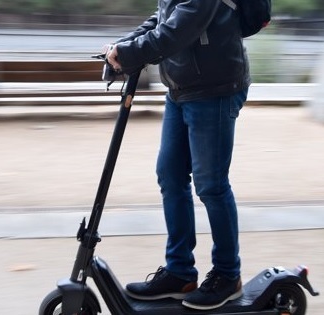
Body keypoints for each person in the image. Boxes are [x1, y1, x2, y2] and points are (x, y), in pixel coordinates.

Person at [104, 0, 250, 311]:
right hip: (181, 88)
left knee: (211, 184)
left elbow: (177, 30)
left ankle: (228, 275)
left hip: (215, 88)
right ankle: (179, 272)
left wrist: (130, 53)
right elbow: (163, 17)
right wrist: (124, 45)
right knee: (170, 175)